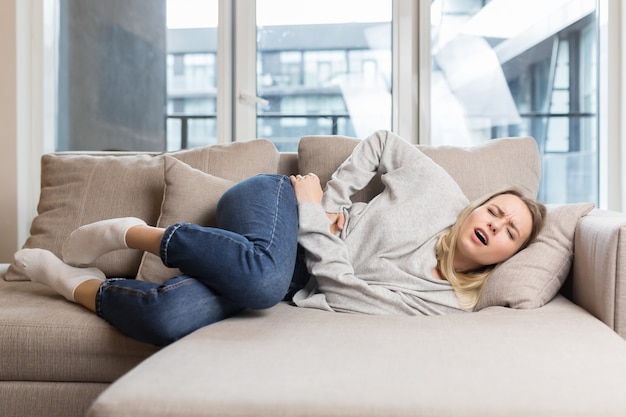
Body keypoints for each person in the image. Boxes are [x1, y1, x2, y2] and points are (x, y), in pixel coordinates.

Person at [8, 130, 546, 346]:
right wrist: (327, 201)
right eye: (496, 211)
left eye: (509, 232)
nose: (494, 225)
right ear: (479, 204)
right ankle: (130, 232)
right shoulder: (441, 194)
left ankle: (70, 282)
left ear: (510, 255)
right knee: (264, 279)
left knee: (166, 318)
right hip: (275, 203)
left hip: (287, 267)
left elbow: (347, 295)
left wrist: (316, 222)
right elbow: (385, 142)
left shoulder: (449, 303)